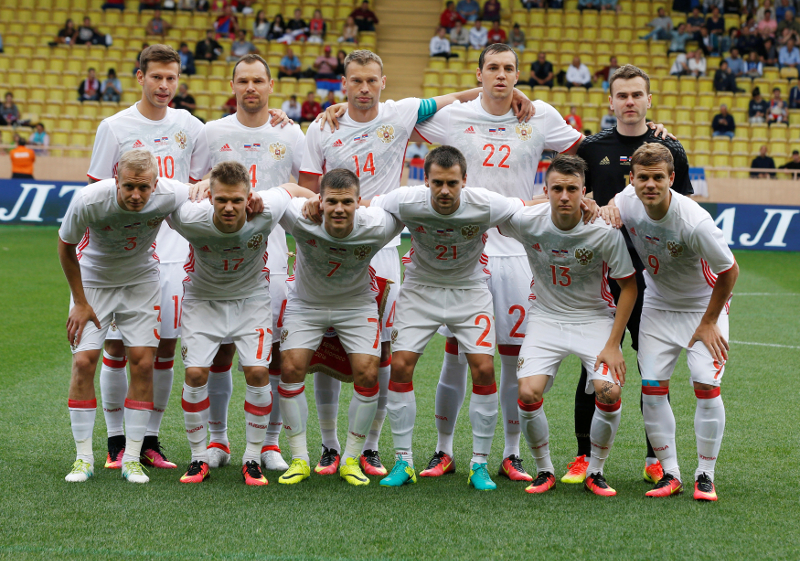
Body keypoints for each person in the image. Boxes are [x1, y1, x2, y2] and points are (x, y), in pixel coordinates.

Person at [303, 49, 533, 477]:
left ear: (383, 82)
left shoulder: (402, 113)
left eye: (372, 80)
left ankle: (371, 448)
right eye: (356, 81)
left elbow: (448, 100)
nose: (365, 88)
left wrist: (503, 91)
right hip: (332, 249)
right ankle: (330, 446)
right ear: (344, 84)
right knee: (325, 349)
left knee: (384, 355)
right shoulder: (321, 125)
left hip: (385, 253)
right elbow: (304, 189)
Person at [413, 44, 586, 483]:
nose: (501, 76)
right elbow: (396, 121)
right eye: (492, 69)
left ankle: (511, 454)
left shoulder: (539, 115)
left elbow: (586, 152)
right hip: (464, 249)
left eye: (509, 69)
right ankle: (444, 450)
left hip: (517, 253)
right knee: (456, 355)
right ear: (480, 73)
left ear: (518, 74)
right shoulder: (455, 116)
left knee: (511, 358)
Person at [368, 147, 526, 491]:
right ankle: (403, 461)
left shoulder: (485, 203)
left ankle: (479, 465)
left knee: (484, 368)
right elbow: (370, 209)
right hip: (421, 289)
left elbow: (523, 211)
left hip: (469, 290)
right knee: (401, 365)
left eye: (451, 183)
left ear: (464, 181)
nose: (444, 190)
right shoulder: (407, 200)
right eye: (437, 182)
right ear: (425, 180)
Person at [87, 44, 209, 474]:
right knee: (118, 349)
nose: (163, 85)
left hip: (176, 254)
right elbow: (98, 195)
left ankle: (150, 440)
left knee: (163, 349)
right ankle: (117, 441)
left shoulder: (190, 126)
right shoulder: (114, 126)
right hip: (127, 256)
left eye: (171, 78)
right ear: (140, 76)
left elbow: (205, 179)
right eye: (156, 76)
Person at [571, 65, 692, 486]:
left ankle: (654, 458)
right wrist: (591, 207)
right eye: (621, 95)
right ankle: (583, 456)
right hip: (600, 272)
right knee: (594, 365)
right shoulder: (591, 147)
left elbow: (683, 210)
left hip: (653, 277)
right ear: (610, 101)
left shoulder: (669, 146)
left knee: (652, 367)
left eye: (636, 95)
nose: (629, 102)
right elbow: (572, 194)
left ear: (648, 100)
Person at [602, 143, 738, 502]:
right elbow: (613, 203)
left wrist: (709, 321)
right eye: (643, 178)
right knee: (652, 389)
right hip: (659, 305)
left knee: (706, 386)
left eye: (658, 178)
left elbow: (729, 271)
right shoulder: (628, 199)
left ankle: (705, 475)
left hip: (702, 306)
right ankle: (671, 473)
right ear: (632, 179)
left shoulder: (694, 221)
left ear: (672, 179)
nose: (650, 185)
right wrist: (608, 206)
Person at [498, 154, 636, 496]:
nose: (564, 196)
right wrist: (540, 201)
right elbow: (497, 215)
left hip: (594, 319)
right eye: (556, 188)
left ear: (584, 191)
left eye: (572, 189)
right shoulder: (528, 220)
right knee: (527, 394)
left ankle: (596, 470)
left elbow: (629, 288)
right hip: (546, 317)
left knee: (609, 392)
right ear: (545, 190)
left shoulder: (603, 232)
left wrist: (613, 345)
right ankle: (544, 470)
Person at [168, 162, 311, 485]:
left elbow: (292, 190)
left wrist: (314, 200)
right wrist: (199, 184)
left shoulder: (267, 208)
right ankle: (198, 458)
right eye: (221, 200)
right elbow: (157, 192)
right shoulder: (189, 216)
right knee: (194, 373)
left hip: (251, 300)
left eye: (237, 200)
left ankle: (251, 458)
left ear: (249, 196)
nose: (229, 207)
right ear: (210, 198)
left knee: (259, 372)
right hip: (203, 301)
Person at [58, 149, 193, 484]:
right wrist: (79, 301)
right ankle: (83, 458)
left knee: (143, 362)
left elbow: (203, 189)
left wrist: (205, 187)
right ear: (115, 180)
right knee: (85, 361)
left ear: (155, 183)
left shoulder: (170, 193)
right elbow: (65, 246)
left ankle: (132, 458)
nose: (136, 195)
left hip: (140, 282)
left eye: (143, 188)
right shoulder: (89, 200)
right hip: (94, 281)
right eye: (129, 186)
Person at [196, 55, 304, 472]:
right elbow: (194, 185)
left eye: (258, 80)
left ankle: (270, 444)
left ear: (271, 85)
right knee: (220, 353)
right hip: (218, 260)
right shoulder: (212, 132)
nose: (251, 88)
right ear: (233, 85)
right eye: (243, 81)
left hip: (273, 258)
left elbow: (305, 188)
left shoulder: (290, 132)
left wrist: (270, 197)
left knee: (271, 354)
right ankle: (219, 441)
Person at [275, 169, 406, 486]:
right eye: (331, 201)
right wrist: (305, 196)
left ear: (359, 203)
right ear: (321, 201)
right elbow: (275, 194)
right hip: (306, 304)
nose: (338, 209)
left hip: (356, 305)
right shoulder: (299, 217)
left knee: (367, 373)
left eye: (347, 202)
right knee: (290, 367)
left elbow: (407, 208)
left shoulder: (377, 225)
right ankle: (300, 459)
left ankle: (350, 459)